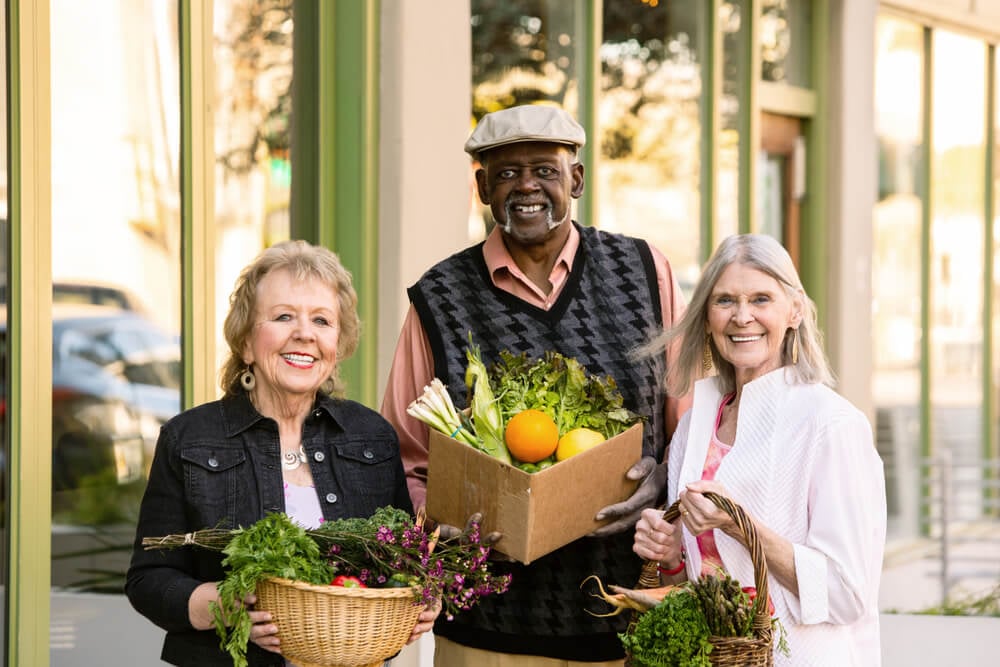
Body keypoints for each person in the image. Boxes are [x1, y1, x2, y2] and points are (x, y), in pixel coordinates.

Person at [380, 104, 691, 665]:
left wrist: (665, 481)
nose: (526, 186)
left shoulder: (646, 270)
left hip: (631, 621)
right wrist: (447, 523)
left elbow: (694, 426)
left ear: (576, 178)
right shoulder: (439, 297)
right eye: (505, 173)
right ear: (482, 188)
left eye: (544, 170)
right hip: (489, 633)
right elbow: (402, 460)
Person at [126, 240, 439, 666]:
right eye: (283, 316)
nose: (305, 333)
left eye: (322, 321)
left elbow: (398, 566)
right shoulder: (190, 438)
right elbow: (148, 579)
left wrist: (417, 600)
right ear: (247, 343)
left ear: (337, 345)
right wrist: (222, 604)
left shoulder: (371, 437)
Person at [632, 233, 886, 666]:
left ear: (795, 311)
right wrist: (671, 552)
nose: (742, 317)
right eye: (726, 300)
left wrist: (740, 526)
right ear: (707, 316)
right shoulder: (696, 426)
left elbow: (847, 592)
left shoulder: (832, 425)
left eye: (761, 299)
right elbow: (700, 580)